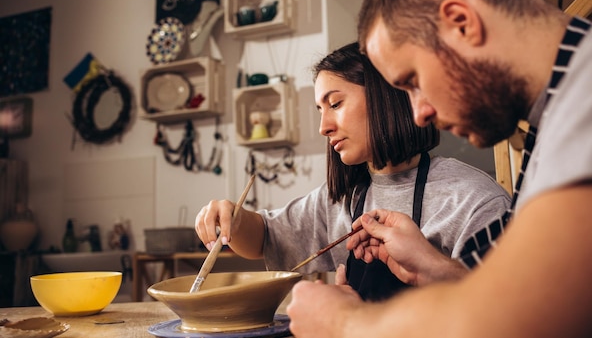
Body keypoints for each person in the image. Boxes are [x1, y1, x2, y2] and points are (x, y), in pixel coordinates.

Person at [286, 0, 592, 338]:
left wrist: (343, 322)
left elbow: (530, 319)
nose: (420, 112)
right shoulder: (555, 121)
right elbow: (517, 290)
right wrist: (437, 269)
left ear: (461, 23)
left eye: (413, 81)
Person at [195, 42, 510, 301]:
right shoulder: (343, 198)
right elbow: (265, 239)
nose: (323, 127)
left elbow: (502, 312)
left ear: (384, 98)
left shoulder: (473, 201)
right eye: (320, 110)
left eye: (335, 104)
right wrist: (233, 218)